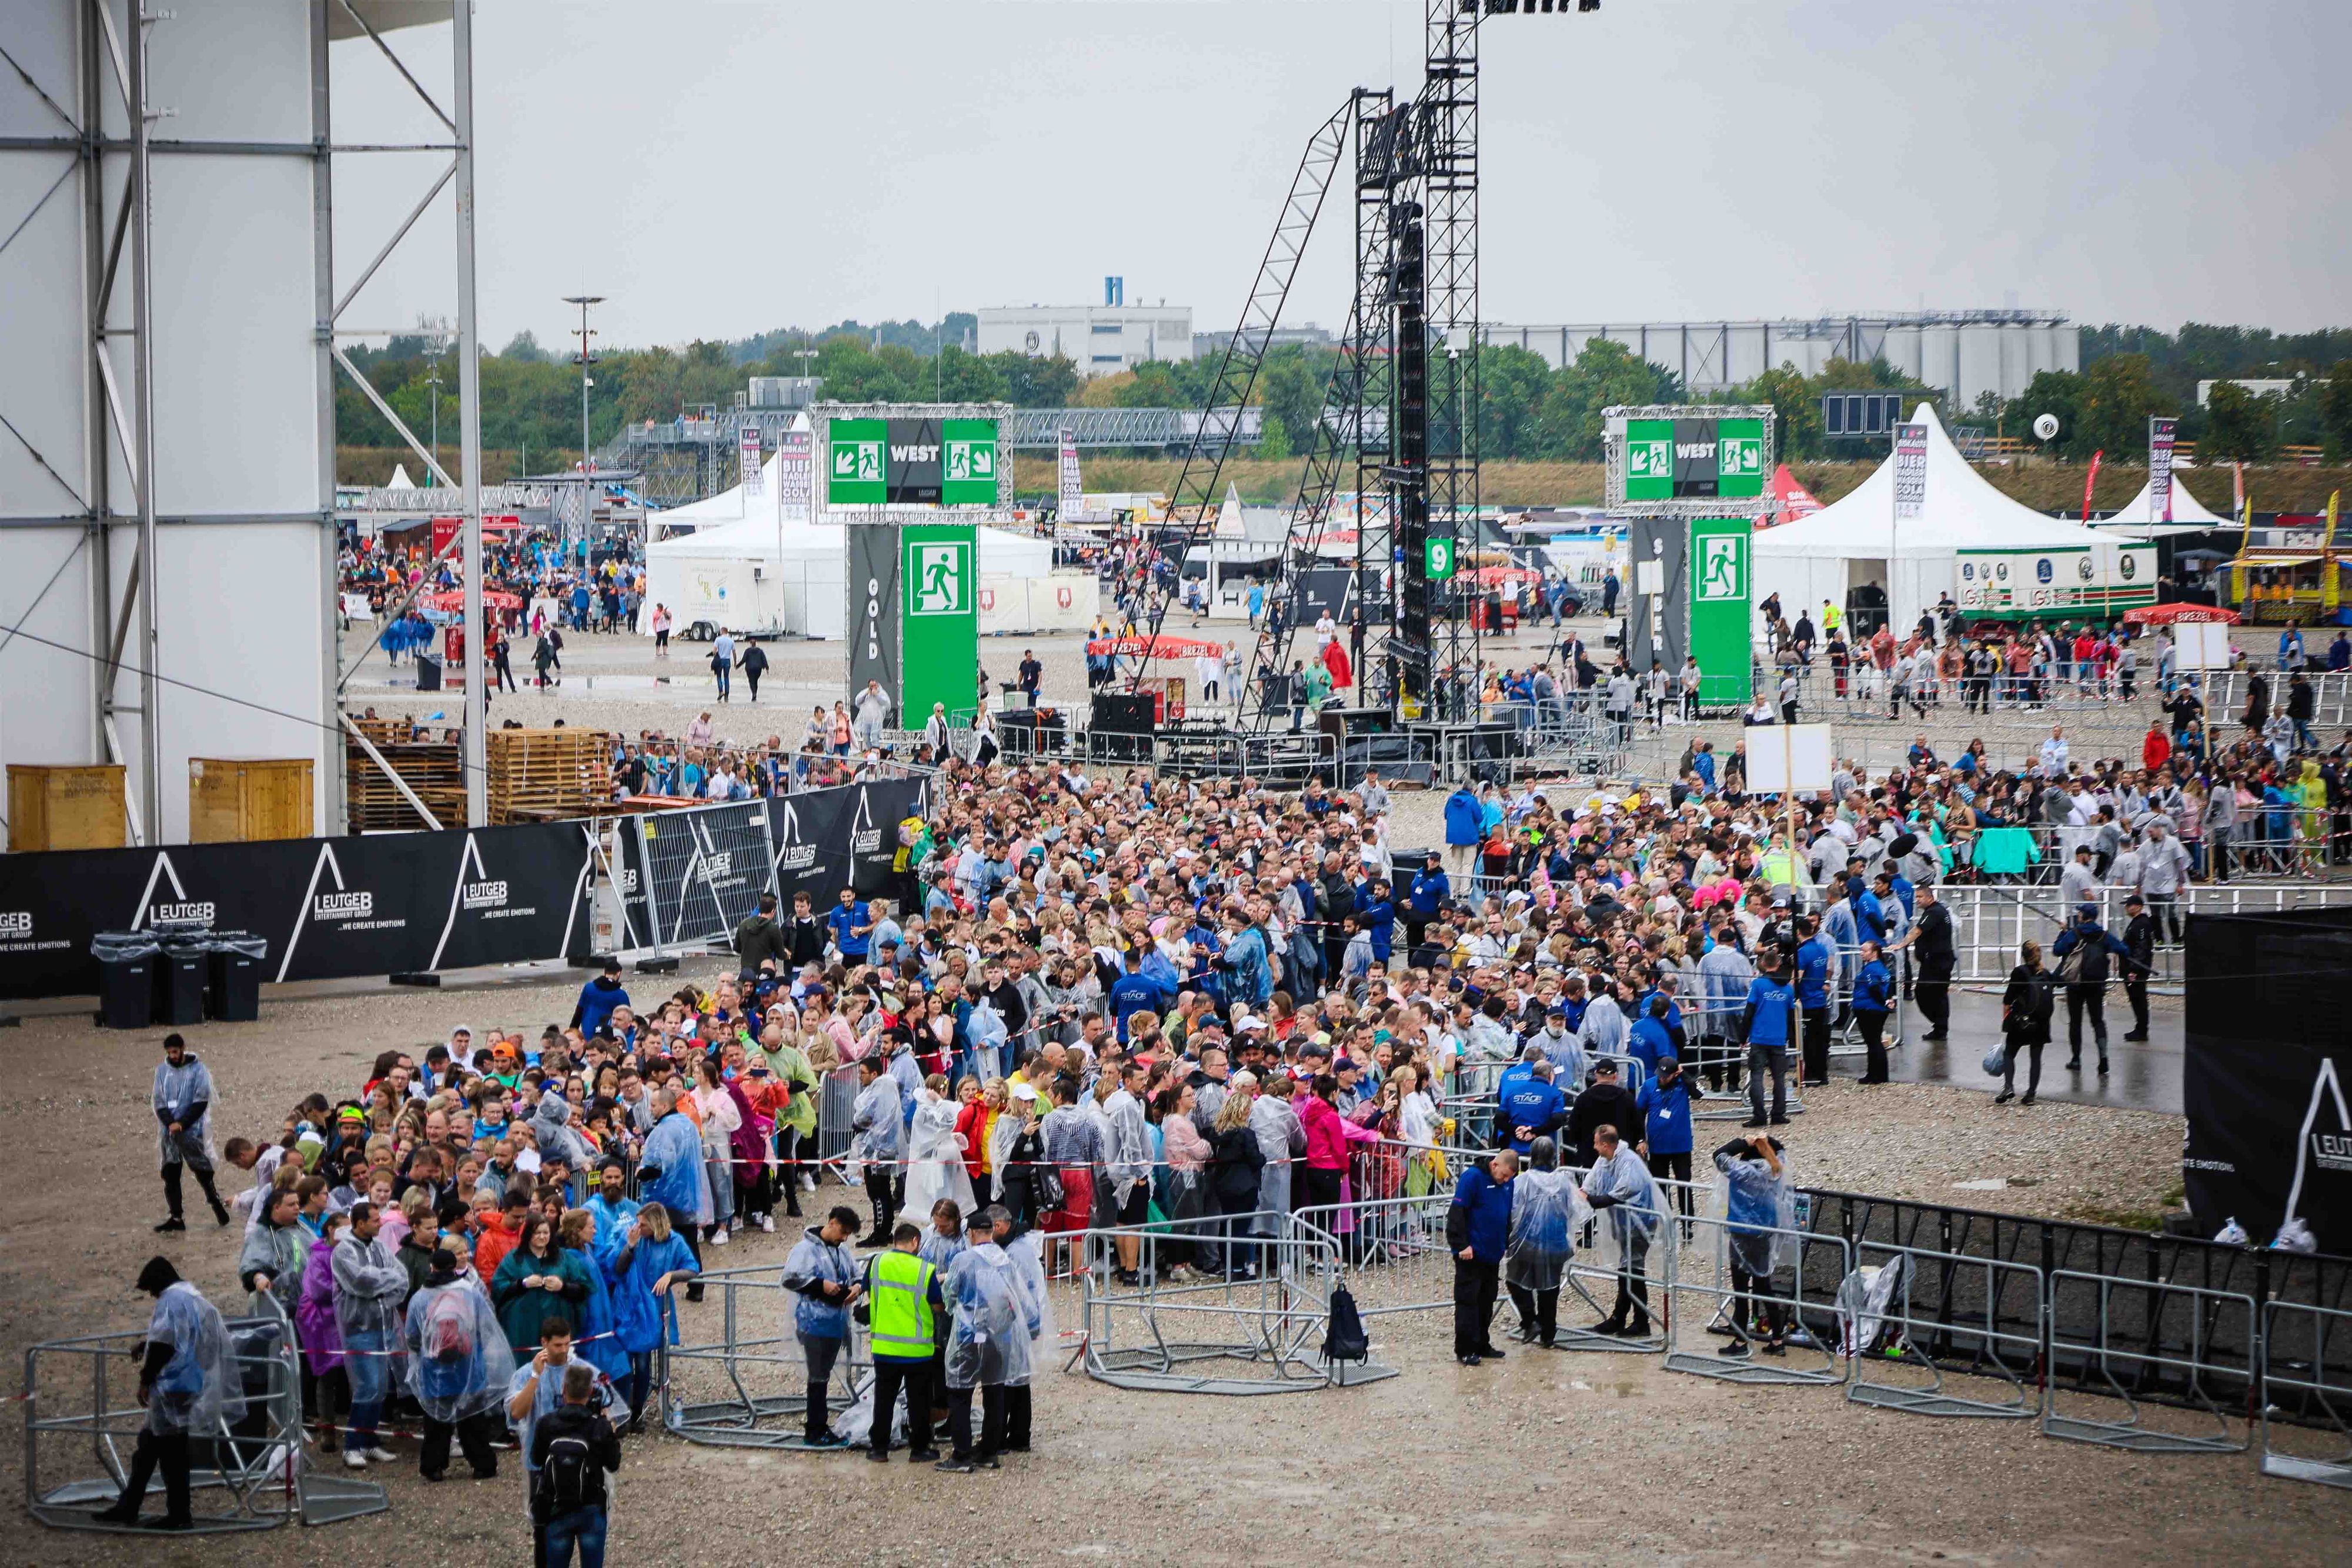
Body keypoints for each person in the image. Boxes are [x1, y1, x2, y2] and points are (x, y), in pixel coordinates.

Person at [89, 1258, 243, 1531]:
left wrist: (146, 1379)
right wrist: (147, 1345)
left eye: (151, 1289)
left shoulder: (171, 1300)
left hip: (172, 1386)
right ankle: (131, 1506)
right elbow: (184, 1337)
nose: (152, 1295)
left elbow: (165, 1344)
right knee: (150, 1447)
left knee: (171, 1454)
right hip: (188, 1381)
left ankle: (178, 1515)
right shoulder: (192, 1297)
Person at [937, 1211, 1040, 1472]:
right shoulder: (1005, 1260)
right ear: (992, 1232)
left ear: (971, 1233)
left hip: (968, 1335)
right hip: (1000, 1337)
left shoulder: (963, 1259)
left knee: (960, 1393)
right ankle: (989, 1452)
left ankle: (961, 1455)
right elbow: (1020, 1298)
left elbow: (949, 1296)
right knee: (994, 1392)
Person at [403, 1245, 513, 1482]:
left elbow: (412, 1335)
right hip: (468, 1368)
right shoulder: (469, 1292)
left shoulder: (420, 1297)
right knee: (473, 1420)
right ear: (455, 1268)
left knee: (436, 1421)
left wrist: (423, 1352)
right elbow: (485, 1326)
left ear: (432, 1267)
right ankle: (483, 1465)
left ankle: (433, 1467)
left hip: (435, 1371)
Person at [332, 1199, 410, 1469]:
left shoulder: (379, 1247)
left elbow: (401, 1276)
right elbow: (359, 1281)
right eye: (376, 1221)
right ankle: (352, 1446)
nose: (381, 1224)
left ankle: (370, 1442)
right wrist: (384, 1280)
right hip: (359, 1328)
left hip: (383, 1325)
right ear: (360, 1223)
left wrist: (381, 1283)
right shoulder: (343, 1252)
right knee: (366, 1386)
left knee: (380, 1387)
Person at [860, 1222, 946, 1464]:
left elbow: (868, 1291)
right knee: (919, 1402)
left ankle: (879, 1448)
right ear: (916, 1241)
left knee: (884, 1400)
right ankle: (919, 1449)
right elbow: (938, 1305)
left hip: (884, 1347)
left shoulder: (877, 1262)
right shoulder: (924, 1269)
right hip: (917, 1351)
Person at [780, 1205, 862, 1447]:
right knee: (817, 1377)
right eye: (843, 1232)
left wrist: (857, 1288)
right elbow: (790, 1278)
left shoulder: (842, 1251)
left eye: (848, 1234)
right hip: (813, 1322)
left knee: (822, 1376)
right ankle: (815, 1430)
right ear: (832, 1223)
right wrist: (820, 1285)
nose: (845, 1238)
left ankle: (818, 1427)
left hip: (835, 1322)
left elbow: (858, 1275)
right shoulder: (805, 1249)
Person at [532, 1360, 622, 1568]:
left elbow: (536, 1460)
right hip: (590, 1505)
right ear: (590, 1392)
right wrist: (611, 1434)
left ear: (564, 1389)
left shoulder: (546, 1424)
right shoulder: (599, 1426)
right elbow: (613, 1464)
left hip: (556, 1505)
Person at [1713, 1132, 1794, 1356]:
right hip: (1763, 1234)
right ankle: (1777, 1340)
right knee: (1764, 1287)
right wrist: (1766, 1140)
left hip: (1742, 1234)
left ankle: (1741, 1342)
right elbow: (1780, 1149)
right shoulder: (1776, 1168)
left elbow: (1719, 1155)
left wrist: (1743, 1142)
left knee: (1741, 1291)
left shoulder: (1742, 1171)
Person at [1582, 1125, 1660, 1338]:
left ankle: (1640, 1322)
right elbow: (1592, 1179)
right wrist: (1584, 1193)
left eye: (1596, 1143)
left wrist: (1594, 1200)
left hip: (1640, 1222)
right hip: (1625, 1223)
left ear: (1605, 1144)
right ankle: (1620, 1317)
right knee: (1627, 1271)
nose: (1594, 1147)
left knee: (1634, 1272)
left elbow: (1624, 1190)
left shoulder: (1629, 1161)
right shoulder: (1606, 1160)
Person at [1445, 1146, 1517, 1366]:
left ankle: (1482, 1343)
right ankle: (1465, 1348)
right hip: (1471, 1252)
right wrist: (1461, 1245)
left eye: (1509, 1177)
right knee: (1468, 1300)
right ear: (1495, 1165)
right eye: (1503, 1175)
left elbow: (1506, 1214)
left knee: (1487, 1300)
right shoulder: (1473, 1178)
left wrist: (1505, 1243)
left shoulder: (1508, 1184)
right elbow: (1457, 1212)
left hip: (1492, 1252)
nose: (1505, 1181)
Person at [152, 1032, 230, 1232]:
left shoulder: (198, 1070)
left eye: (175, 1052)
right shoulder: (162, 1072)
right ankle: (176, 1218)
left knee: (202, 1170)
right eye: (169, 1053)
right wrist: (170, 1123)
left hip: (191, 1131)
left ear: (183, 1049)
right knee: (170, 1173)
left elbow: (201, 1100)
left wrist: (183, 1123)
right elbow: (159, 1101)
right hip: (169, 1133)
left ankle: (216, 1204)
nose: (172, 1056)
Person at [1504, 1136, 1575, 1349]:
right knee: (1550, 1289)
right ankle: (1548, 1335)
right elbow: (1571, 1210)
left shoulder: (1523, 1181)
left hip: (1528, 1242)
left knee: (1515, 1281)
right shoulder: (1564, 1182)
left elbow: (1513, 1209)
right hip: (1556, 1243)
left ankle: (1530, 1320)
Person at [2050, 902, 2129, 1075]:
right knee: (2098, 1021)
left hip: (2076, 984)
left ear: (2084, 916)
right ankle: (2103, 1057)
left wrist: (2062, 933)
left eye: (2080, 913)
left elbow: (2057, 950)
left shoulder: (2074, 934)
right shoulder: (2104, 935)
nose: (2078, 915)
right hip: (2096, 984)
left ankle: (2076, 1059)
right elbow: (2123, 949)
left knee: (2075, 1022)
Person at [1635, 1056, 1701, 1227]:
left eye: (1667, 1076)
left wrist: (1683, 1074)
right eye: (1661, 1075)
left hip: (1681, 1146)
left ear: (1675, 1074)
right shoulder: (1649, 1085)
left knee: (1684, 1185)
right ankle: (1665, 1223)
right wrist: (1641, 1139)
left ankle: (1688, 1225)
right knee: (1660, 1187)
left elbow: (1698, 1094)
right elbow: (1639, 1114)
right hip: (1657, 1146)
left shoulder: (1683, 1084)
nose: (1663, 1079)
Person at [1739, 952, 1798, 1127]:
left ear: (1763, 964)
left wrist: (1743, 1036)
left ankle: (1759, 1115)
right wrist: (1791, 1038)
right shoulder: (1788, 988)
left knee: (1757, 1076)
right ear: (1779, 964)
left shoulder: (1758, 984)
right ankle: (1778, 1113)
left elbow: (1749, 1012)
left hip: (1759, 1036)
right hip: (1779, 1037)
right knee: (1779, 1077)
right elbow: (1791, 1016)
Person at [1996, 938, 2056, 1106]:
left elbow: (2008, 999)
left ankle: (2009, 1087)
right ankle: (2031, 1095)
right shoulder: (2046, 974)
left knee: (2009, 1053)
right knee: (2035, 1058)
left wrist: (2006, 1022)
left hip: (2022, 1022)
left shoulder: (2019, 972)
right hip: (2042, 1023)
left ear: (2023, 956)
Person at [1851, 939, 1893, 1084]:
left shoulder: (1871, 969)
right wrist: (1888, 1001)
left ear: (1874, 952)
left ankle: (1874, 1075)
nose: (1861, 953)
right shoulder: (1882, 967)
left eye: (1865, 951)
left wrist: (1884, 1002)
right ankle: (1880, 1075)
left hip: (1869, 1008)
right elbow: (1888, 986)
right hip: (1877, 1009)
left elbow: (1874, 989)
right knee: (1875, 1042)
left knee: (1873, 1042)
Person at [2120, 893, 2156, 1043]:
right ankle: (2140, 1028)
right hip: (2131, 967)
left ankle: (2142, 1030)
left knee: (2139, 999)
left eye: (2130, 905)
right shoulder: (2136, 923)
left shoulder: (2142, 924)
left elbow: (2142, 948)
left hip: (2137, 969)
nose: (2127, 908)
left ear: (2139, 907)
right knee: (2136, 999)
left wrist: (2134, 969)